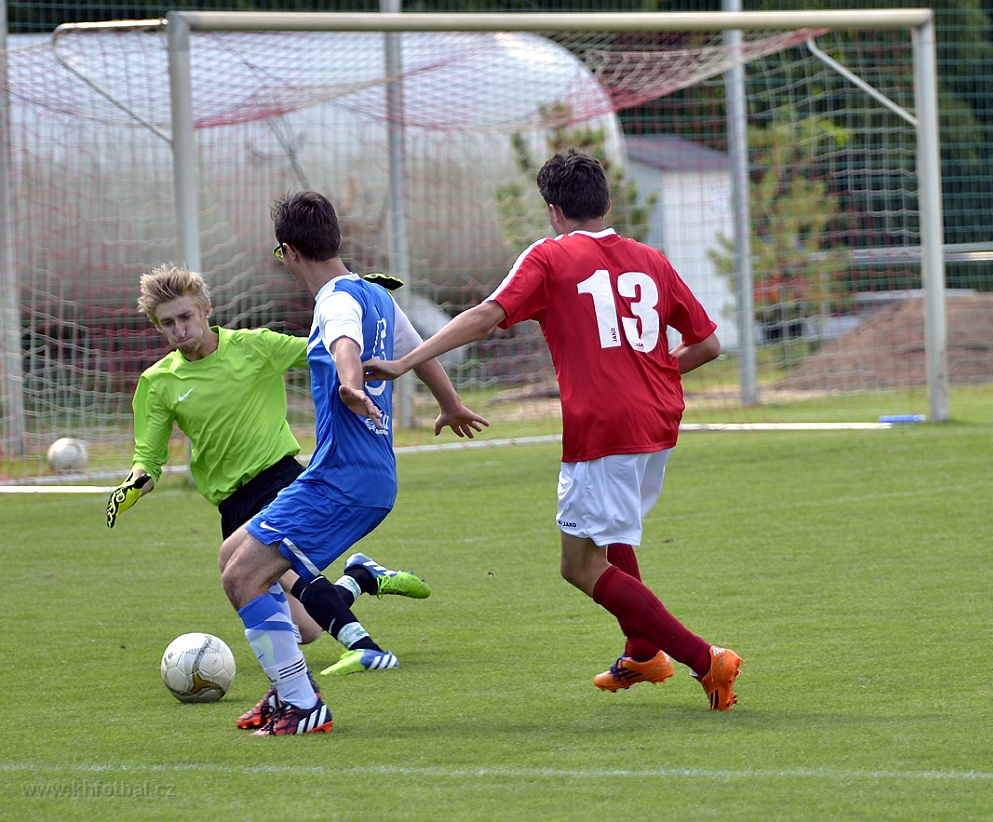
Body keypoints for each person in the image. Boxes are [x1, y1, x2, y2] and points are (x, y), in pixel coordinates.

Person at [365, 149, 743, 711]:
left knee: (579, 565)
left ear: (553, 210)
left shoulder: (550, 255)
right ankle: (643, 651)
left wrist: (404, 363)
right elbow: (708, 344)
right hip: (659, 420)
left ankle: (703, 659)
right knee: (611, 528)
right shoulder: (651, 259)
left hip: (604, 426)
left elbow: (485, 316)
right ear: (607, 203)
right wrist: (652, 376)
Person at [104, 264, 440, 713]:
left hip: (280, 479)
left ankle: (364, 646)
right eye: (168, 323)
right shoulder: (158, 383)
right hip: (231, 502)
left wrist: (363, 306)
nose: (179, 329)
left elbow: (325, 348)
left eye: (185, 317)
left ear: (205, 310)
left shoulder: (254, 346)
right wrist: (135, 484)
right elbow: (149, 458)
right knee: (305, 630)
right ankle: (361, 577)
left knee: (283, 573)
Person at [219, 190, 488, 735]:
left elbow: (344, 342)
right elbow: (417, 349)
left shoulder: (335, 299)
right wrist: (450, 402)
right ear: (337, 239)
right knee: (233, 554)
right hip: (357, 476)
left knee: (242, 576)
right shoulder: (376, 295)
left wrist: (349, 384)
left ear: (289, 252)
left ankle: (302, 703)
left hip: (343, 480)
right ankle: (288, 689)